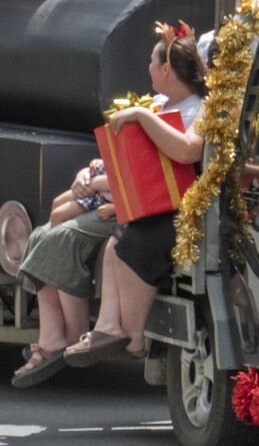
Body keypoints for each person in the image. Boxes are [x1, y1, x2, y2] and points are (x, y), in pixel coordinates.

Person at [64, 24, 208, 368]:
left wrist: (141, 115)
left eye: (152, 62)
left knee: (133, 244)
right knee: (115, 243)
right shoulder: (160, 102)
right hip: (158, 204)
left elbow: (188, 151)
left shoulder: (203, 108)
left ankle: (133, 338)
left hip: (189, 210)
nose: (147, 67)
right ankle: (108, 328)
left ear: (166, 69)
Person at [10, 158, 119, 386]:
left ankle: (75, 335)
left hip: (124, 199)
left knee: (62, 237)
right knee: (40, 236)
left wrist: (94, 182)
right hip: (104, 189)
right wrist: (84, 175)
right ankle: (51, 338)